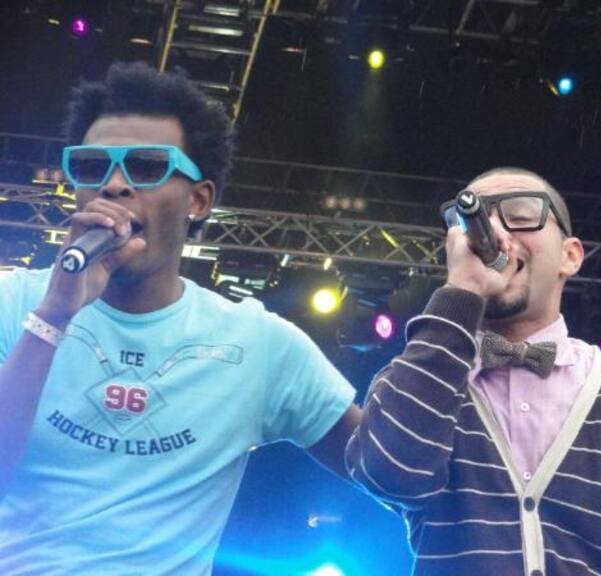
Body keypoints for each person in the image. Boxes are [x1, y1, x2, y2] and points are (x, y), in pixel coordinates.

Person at [0, 61, 360, 575]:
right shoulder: (15, 302)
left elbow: (392, 470)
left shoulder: (255, 343)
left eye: (147, 167)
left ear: (199, 199)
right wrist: (53, 316)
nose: (114, 185)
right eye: (93, 165)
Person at [345, 168, 601, 575]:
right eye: (473, 223)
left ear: (570, 256)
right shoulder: (416, 383)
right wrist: (462, 292)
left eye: (519, 215)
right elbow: (388, 475)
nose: (494, 233)